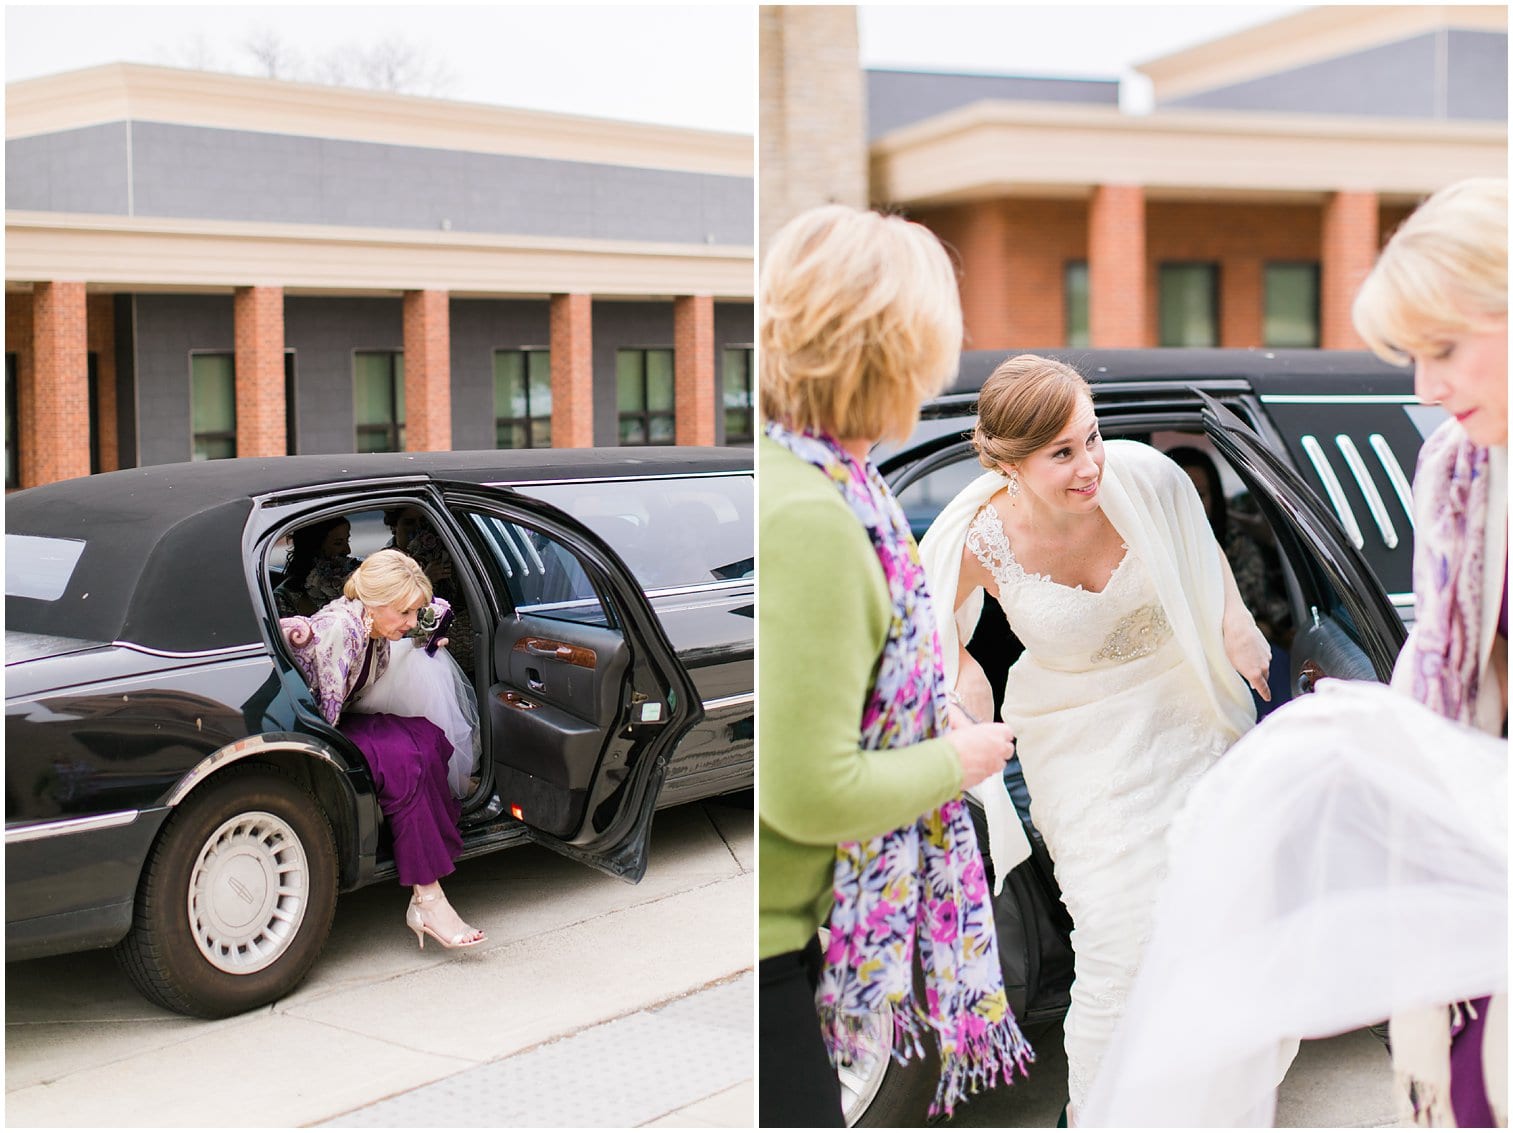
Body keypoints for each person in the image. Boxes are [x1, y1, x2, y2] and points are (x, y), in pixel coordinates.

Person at [1082, 177, 1507, 1127]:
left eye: (1444, 348)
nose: (1426, 390)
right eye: (1408, 357)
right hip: (1473, 891)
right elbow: (1437, 678)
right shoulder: (1458, 467)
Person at [918, 354, 1272, 1125]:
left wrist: (1236, 628)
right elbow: (917, 631)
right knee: (1116, 939)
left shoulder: (1144, 476)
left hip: (1187, 711)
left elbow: (1195, 544)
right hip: (1076, 739)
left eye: (1093, 437)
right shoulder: (978, 538)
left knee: (1222, 917)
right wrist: (959, 694)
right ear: (1007, 462)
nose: (1090, 465)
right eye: (1062, 453)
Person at [759, 204, 1032, 1127]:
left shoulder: (842, 482)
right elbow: (802, 790)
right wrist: (959, 761)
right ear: (888, 347)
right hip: (770, 945)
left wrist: (932, 720)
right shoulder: (814, 516)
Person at [281, 548, 485, 950]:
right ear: (376, 602)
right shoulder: (343, 628)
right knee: (402, 760)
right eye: (405, 613)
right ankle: (428, 899)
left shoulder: (372, 623)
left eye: (415, 613)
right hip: (315, 730)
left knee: (427, 738)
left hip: (339, 718)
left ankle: (415, 849)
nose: (410, 623)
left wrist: (425, 630)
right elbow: (327, 714)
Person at [1166, 445, 1292, 717]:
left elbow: (1268, 614)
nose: (1192, 506)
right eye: (1180, 498)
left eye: (1199, 495)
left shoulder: (1235, 544)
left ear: (1215, 496)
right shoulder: (1151, 548)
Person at [385, 506, 474, 674]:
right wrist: (426, 578)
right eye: (409, 523)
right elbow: (393, 607)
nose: (416, 528)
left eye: (423, 522)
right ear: (394, 526)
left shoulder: (440, 553)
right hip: (409, 639)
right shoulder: (388, 560)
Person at [273, 515, 360, 618]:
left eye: (347, 541)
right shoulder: (285, 597)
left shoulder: (357, 579)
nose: (347, 550)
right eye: (338, 543)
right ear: (314, 547)